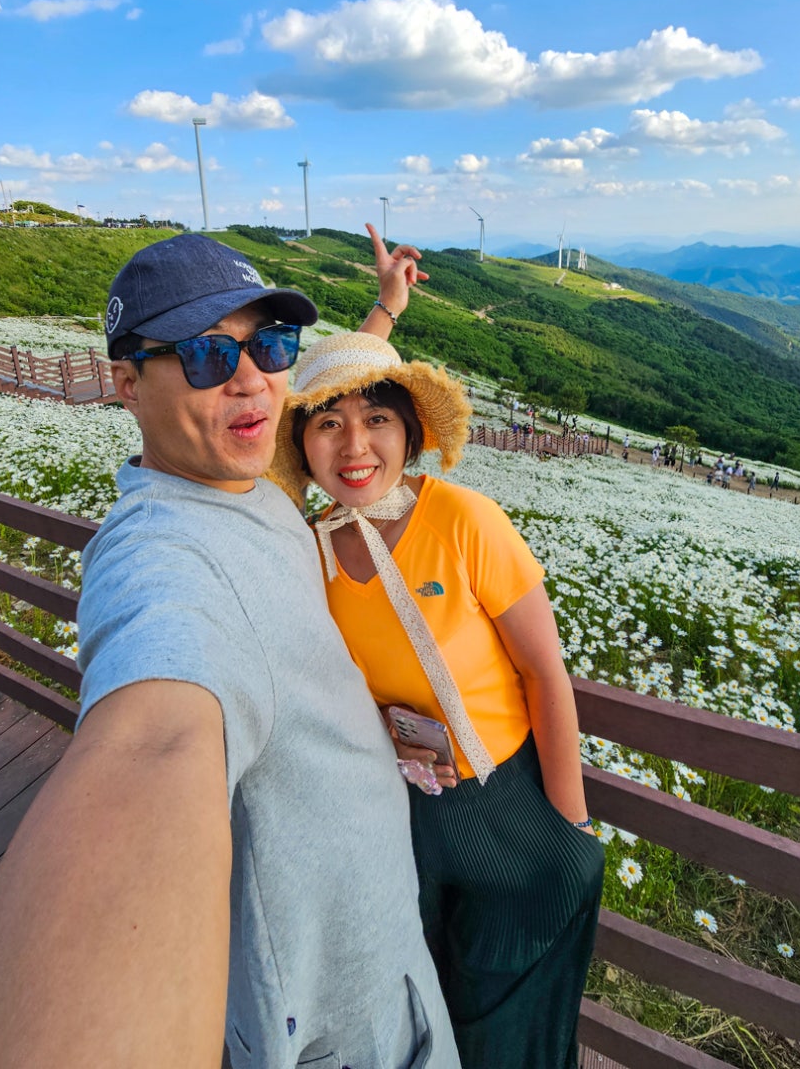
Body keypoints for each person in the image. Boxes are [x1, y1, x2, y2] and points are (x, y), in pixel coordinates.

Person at [0, 231, 459, 1069]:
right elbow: (150, 741)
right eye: (208, 354)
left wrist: (388, 306)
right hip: (336, 1022)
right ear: (127, 382)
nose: (252, 377)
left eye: (272, 344)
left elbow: (312, 385)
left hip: (379, 953)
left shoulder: (250, 476)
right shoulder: (162, 555)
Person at [270, 333, 604, 1069]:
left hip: (510, 803)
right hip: (403, 816)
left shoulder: (465, 520)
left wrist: (571, 825)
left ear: (409, 431)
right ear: (303, 442)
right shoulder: (312, 550)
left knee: (509, 1016)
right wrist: (387, 736)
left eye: (376, 420)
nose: (354, 444)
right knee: (429, 1002)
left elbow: (546, 674)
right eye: (328, 423)